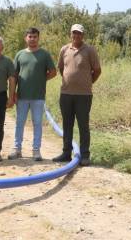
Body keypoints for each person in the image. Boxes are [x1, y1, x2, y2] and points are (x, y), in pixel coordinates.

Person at [52, 24, 101, 166]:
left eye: (79, 33)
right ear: (70, 34)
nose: (76, 36)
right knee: (67, 125)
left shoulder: (90, 50)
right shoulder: (64, 50)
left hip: (83, 95)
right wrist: (70, 80)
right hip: (66, 94)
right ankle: (66, 153)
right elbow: (61, 68)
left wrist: (88, 82)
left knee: (83, 125)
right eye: (74, 33)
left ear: (83, 35)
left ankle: (85, 155)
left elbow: (97, 70)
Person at [9, 27, 57, 161]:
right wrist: (13, 94)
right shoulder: (20, 55)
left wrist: (42, 79)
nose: (32, 39)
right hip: (22, 96)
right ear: (26, 38)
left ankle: (36, 151)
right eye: (30, 36)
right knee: (20, 123)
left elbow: (53, 72)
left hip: (38, 96)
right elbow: (14, 75)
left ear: (38, 38)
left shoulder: (44, 54)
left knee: (37, 123)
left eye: (35, 37)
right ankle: (17, 149)